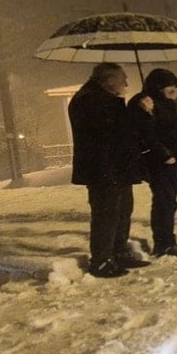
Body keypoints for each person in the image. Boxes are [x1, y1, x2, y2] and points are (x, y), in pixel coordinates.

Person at [68, 62, 151, 278]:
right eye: (123, 79)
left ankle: (118, 252)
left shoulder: (99, 98)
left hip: (115, 167)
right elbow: (117, 130)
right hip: (104, 169)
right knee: (107, 215)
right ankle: (101, 260)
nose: (126, 84)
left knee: (122, 211)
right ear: (110, 80)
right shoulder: (91, 100)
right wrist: (138, 109)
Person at [128, 68, 177, 258]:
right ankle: (164, 244)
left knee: (168, 202)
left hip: (172, 159)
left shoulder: (166, 103)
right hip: (159, 161)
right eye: (170, 85)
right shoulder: (143, 102)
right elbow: (146, 134)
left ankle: (168, 241)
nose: (173, 89)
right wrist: (165, 155)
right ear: (158, 85)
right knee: (164, 202)